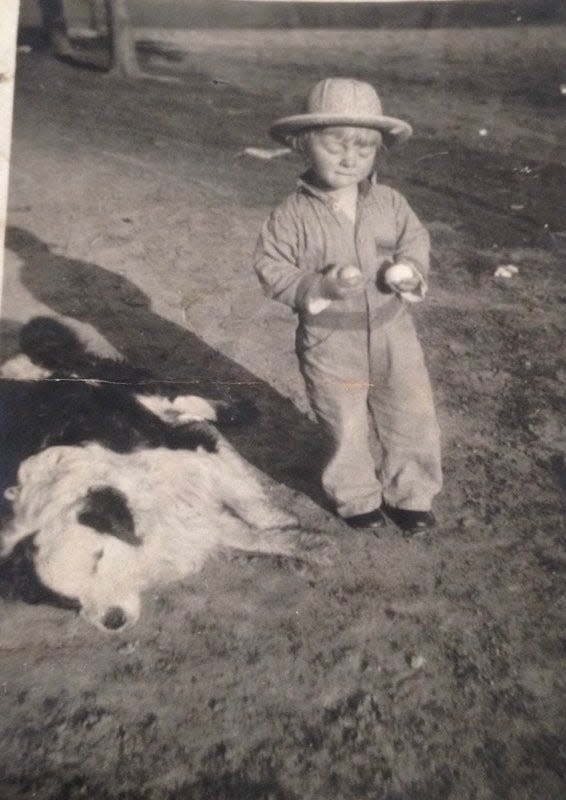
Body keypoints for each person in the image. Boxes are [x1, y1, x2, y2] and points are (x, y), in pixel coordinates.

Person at [253, 78, 442, 534]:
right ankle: (357, 496)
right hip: (331, 342)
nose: (350, 157)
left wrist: (409, 268)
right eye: (335, 144)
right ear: (302, 144)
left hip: (393, 333)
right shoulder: (291, 215)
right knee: (345, 422)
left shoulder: (390, 203)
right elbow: (271, 265)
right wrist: (316, 285)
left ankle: (413, 493)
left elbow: (415, 238)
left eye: (364, 148)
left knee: (411, 413)